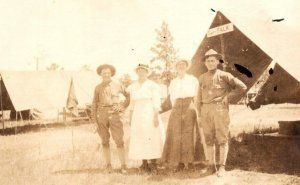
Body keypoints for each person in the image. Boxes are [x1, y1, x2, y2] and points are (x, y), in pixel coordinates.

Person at [197, 49, 247, 177]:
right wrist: (199, 114)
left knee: (222, 138)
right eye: (208, 61)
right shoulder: (201, 78)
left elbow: (242, 87)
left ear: (217, 62)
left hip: (220, 110)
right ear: (205, 63)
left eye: (212, 60)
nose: (210, 63)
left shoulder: (224, 75)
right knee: (208, 139)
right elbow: (198, 98)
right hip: (205, 110)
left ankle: (221, 167)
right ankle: (211, 166)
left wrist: (227, 98)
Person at [161, 59, 200, 172]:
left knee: (188, 134)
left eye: (183, 65)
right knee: (176, 134)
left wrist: (196, 109)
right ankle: (179, 162)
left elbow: (197, 96)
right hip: (177, 107)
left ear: (187, 67)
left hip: (189, 106)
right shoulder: (173, 82)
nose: (181, 66)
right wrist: (176, 109)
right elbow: (172, 98)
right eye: (179, 65)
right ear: (176, 67)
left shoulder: (193, 79)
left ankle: (190, 162)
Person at [91, 64, 130, 174]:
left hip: (114, 114)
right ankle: (108, 165)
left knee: (119, 140)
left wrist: (121, 106)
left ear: (111, 73)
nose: (106, 74)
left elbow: (128, 96)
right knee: (104, 141)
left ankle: (123, 165)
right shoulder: (98, 87)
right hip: (101, 114)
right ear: (101, 74)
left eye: (108, 72)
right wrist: (94, 120)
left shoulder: (117, 84)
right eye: (104, 72)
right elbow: (94, 103)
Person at [127, 64, 163, 173]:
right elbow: (132, 103)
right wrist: (130, 117)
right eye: (139, 71)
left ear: (147, 73)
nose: (141, 73)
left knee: (151, 136)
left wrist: (156, 116)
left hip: (149, 112)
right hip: (137, 114)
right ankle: (144, 164)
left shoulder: (152, 85)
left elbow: (156, 102)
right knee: (140, 137)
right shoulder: (133, 86)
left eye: (143, 71)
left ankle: (153, 163)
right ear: (137, 72)